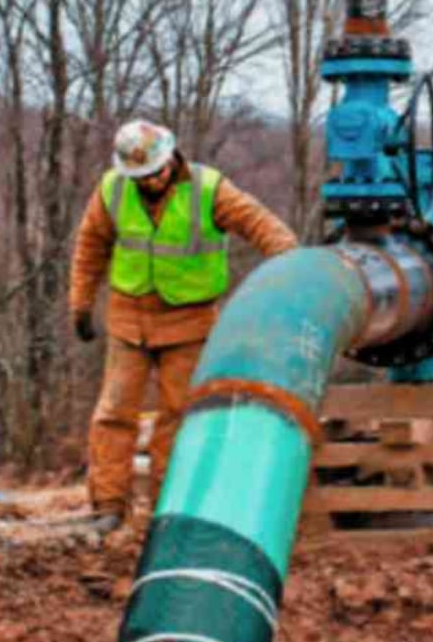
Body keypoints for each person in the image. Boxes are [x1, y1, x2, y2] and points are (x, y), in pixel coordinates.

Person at [68, 120, 298, 534]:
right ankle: (108, 507)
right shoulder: (112, 190)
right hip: (128, 317)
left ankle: (167, 508)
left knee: (179, 414)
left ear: (171, 157)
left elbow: (259, 223)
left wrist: (293, 264)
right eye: (141, 176)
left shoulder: (209, 189)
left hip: (189, 321)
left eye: (156, 172)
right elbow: (90, 246)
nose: (151, 181)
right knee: (115, 412)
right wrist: (81, 304)